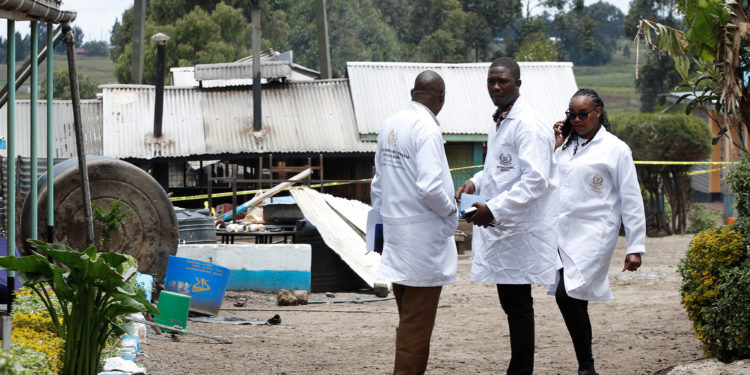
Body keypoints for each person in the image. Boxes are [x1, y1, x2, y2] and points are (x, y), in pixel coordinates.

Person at [456, 57, 560, 375]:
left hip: (520, 230)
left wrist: (495, 209)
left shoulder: (527, 124)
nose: (496, 87)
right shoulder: (500, 120)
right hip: (504, 229)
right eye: (491, 81)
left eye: (502, 81)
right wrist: (476, 180)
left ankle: (520, 371)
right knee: (512, 303)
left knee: (518, 306)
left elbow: (535, 179)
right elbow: (500, 171)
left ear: (517, 83)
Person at [550, 88, 646, 375]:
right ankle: (586, 366)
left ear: (598, 113)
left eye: (583, 114)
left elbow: (631, 198)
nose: (576, 120)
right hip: (562, 231)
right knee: (574, 296)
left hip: (595, 233)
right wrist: (554, 146)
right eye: (571, 114)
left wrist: (635, 246)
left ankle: (586, 366)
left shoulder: (616, 149)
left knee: (567, 295)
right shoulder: (565, 146)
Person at [370, 70, 458, 375]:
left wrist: (382, 226)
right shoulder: (427, 128)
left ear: (413, 92)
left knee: (408, 318)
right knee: (416, 327)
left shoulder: (390, 124)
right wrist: (451, 211)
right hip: (421, 242)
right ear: (441, 98)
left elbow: (378, 184)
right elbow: (431, 187)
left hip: (396, 236)